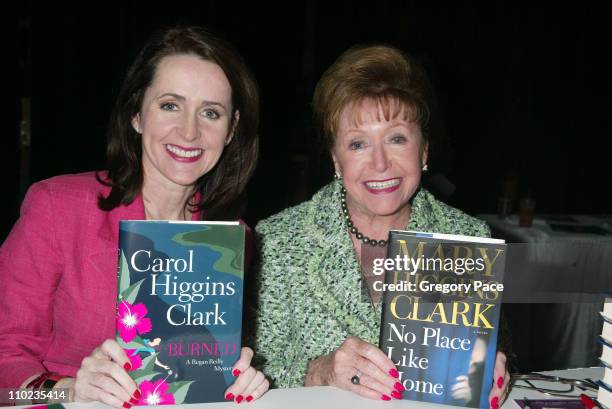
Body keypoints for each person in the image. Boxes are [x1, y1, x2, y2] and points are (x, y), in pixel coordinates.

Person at [0, 26, 269, 406]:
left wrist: (234, 379)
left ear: (231, 131)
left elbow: (198, 376)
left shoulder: (230, 240)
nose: (189, 131)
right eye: (170, 105)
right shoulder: (57, 208)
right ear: (137, 114)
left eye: (210, 112)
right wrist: (66, 390)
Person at [254, 44, 510, 407]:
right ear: (335, 160)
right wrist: (319, 372)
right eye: (358, 143)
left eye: (396, 139)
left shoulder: (468, 238)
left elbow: (476, 362)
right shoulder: (279, 240)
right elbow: (255, 371)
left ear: (423, 151)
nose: (379, 163)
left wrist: (492, 369)